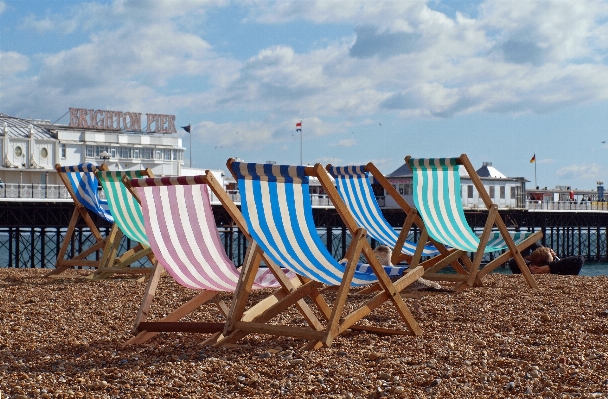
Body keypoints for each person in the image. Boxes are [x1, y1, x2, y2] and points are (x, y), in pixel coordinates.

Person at [509, 242, 584, 275]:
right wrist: (550, 267)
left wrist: (528, 266)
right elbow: (579, 259)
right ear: (549, 263)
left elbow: (513, 261)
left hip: (531, 266)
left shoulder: (522, 271)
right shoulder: (561, 271)